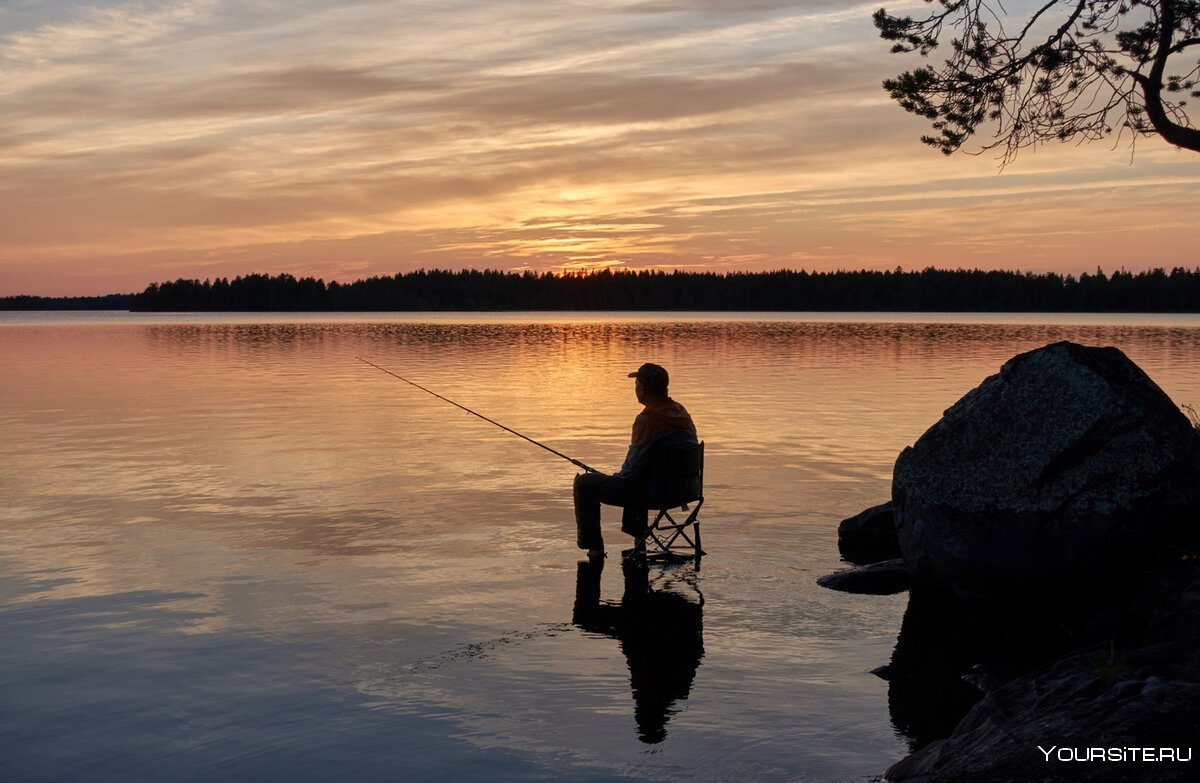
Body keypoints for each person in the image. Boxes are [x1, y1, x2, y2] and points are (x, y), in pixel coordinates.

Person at [573, 362, 698, 558]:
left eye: (637, 384)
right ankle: (639, 542)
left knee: (584, 484)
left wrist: (610, 478)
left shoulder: (647, 420)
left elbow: (630, 472)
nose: (635, 389)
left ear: (643, 389)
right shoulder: (681, 413)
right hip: (685, 491)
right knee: (640, 478)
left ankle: (594, 549)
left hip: (656, 494)